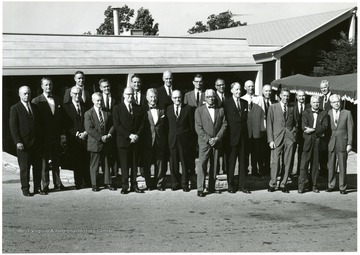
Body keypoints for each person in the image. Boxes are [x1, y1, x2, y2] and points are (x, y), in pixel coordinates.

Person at [32, 77, 66, 193]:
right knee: (44, 162)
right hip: (43, 137)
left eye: (50, 84)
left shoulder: (57, 99)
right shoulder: (36, 101)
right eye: (46, 85)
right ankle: (45, 184)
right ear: (42, 86)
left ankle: (57, 183)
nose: (48, 87)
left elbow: (61, 119)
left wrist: (61, 135)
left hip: (55, 136)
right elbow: (35, 121)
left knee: (56, 161)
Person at [9, 86, 43, 196]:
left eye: (28, 93)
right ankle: (25, 189)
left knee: (38, 167)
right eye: (24, 94)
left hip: (36, 143)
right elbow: (13, 127)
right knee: (25, 168)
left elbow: (38, 125)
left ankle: (37, 188)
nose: (27, 96)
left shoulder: (35, 107)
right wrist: (18, 141)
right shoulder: (15, 108)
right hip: (24, 144)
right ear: (19, 95)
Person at [194, 89, 227, 197]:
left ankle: (212, 187)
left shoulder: (220, 110)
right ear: (205, 98)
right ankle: (200, 188)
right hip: (204, 142)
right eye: (208, 97)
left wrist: (217, 138)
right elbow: (198, 128)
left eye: (212, 96)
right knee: (202, 165)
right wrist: (209, 139)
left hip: (216, 142)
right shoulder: (199, 110)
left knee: (214, 165)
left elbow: (224, 124)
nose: (211, 98)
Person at [113, 87, 145, 194]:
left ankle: (134, 186)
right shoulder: (117, 108)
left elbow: (142, 124)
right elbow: (117, 125)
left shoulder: (138, 108)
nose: (130, 96)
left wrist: (137, 136)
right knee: (124, 165)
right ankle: (125, 186)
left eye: (131, 94)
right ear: (123, 95)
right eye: (128, 94)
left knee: (134, 165)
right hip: (124, 140)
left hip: (136, 141)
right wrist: (129, 135)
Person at [267, 88, 297, 193]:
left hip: (289, 138)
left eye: (287, 96)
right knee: (275, 162)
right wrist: (270, 140)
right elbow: (269, 124)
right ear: (280, 96)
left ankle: (284, 184)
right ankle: (273, 183)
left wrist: (293, 133)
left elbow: (296, 123)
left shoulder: (292, 108)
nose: (286, 98)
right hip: (276, 138)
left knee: (287, 162)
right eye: (284, 95)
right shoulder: (273, 107)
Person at [84, 93, 116, 192]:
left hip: (106, 142)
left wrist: (109, 135)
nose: (99, 102)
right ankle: (94, 184)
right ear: (93, 101)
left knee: (106, 163)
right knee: (95, 165)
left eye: (101, 100)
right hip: (95, 142)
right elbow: (89, 129)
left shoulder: (107, 112)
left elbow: (112, 125)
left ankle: (108, 183)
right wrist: (100, 137)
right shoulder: (88, 113)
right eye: (97, 100)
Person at [298, 96, 329, 193]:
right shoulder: (306, 112)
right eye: (314, 102)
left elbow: (325, 126)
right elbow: (304, 127)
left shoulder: (324, 113)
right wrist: (318, 131)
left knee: (315, 165)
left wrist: (313, 130)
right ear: (310, 103)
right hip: (307, 141)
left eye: (317, 103)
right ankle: (301, 186)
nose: (316, 104)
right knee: (304, 164)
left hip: (318, 142)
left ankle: (314, 185)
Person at [224, 82, 251, 194]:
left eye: (240, 89)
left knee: (243, 162)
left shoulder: (245, 103)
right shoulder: (226, 103)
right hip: (231, 137)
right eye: (236, 89)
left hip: (243, 137)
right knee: (231, 162)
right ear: (231, 90)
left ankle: (242, 185)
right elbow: (225, 120)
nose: (239, 91)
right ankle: (230, 185)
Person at [63, 86, 91, 190]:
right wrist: (77, 133)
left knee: (86, 159)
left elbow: (88, 120)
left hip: (85, 136)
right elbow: (66, 124)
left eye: (79, 94)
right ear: (71, 94)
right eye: (75, 94)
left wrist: (85, 132)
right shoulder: (66, 107)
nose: (77, 96)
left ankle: (88, 181)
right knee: (76, 161)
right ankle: (78, 183)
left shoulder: (85, 106)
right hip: (73, 138)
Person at [166, 90, 194, 192]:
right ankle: (175, 183)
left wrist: (191, 142)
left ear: (181, 97)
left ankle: (185, 184)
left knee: (184, 163)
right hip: (172, 140)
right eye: (175, 98)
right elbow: (167, 126)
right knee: (173, 163)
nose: (177, 99)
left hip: (184, 141)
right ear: (171, 98)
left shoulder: (188, 109)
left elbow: (191, 127)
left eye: (179, 97)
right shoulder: (168, 109)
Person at [326, 94, 354, 194]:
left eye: (338, 101)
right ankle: (331, 185)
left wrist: (349, 143)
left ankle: (342, 187)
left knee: (342, 165)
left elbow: (350, 129)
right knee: (331, 165)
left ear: (340, 101)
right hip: (331, 142)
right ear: (331, 103)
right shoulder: (327, 113)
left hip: (343, 142)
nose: (336, 104)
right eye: (334, 102)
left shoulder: (347, 113)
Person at [141, 88, 168, 190]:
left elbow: (165, 126)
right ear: (147, 98)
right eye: (151, 97)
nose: (153, 99)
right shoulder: (144, 109)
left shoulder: (162, 109)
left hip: (160, 140)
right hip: (147, 140)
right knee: (147, 163)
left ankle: (159, 184)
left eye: (155, 96)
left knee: (160, 162)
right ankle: (149, 184)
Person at [241, 80, 263, 176]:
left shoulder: (260, 99)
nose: (251, 88)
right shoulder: (242, 99)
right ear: (245, 88)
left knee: (256, 152)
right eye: (249, 86)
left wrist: (262, 128)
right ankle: (245, 171)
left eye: (252, 86)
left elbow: (263, 115)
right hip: (246, 130)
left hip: (256, 130)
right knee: (245, 153)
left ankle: (255, 170)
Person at [99, 78, 119, 182]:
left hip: (114, 128)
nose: (106, 88)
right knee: (105, 153)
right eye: (104, 87)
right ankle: (106, 175)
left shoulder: (115, 98)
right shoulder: (98, 99)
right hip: (103, 130)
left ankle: (115, 173)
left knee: (114, 152)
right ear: (100, 88)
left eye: (108, 86)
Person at [290, 90, 309, 177]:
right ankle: (288, 172)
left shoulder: (308, 106)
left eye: (303, 96)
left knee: (302, 154)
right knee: (291, 153)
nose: (302, 98)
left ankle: (299, 172)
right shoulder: (292, 106)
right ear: (297, 97)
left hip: (304, 134)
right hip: (293, 134)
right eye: (300, 96)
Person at [214, 78, 230, 174]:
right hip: (217, 128)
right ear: (216, 86)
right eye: (219, 85)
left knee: (226, 151)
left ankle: (225, 169)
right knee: (216, 152)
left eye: (223, 84)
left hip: (227, 128)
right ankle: (215, 171)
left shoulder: (228, 97)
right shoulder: (213, 97)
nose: (221, 87)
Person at [258, 84, 274, 175]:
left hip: (271, 130)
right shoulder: (258, 101)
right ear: (263, 92)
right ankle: (261, 169)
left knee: (268, 151)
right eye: (266, 91)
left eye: (269, 91)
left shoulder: (274, 102)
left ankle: (267, 169)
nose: (268, 93)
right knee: (260, 151)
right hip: (262, 130)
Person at [318, 80, 332, 177]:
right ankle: (322, 170)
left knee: (329, 152)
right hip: (321, 131)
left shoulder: (334, 98)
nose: (323, 89)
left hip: (330, 130)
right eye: (322, 88)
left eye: (325, 87)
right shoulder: (320, 99)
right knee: (321, 151)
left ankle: (329, 172)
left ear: (328, 87)